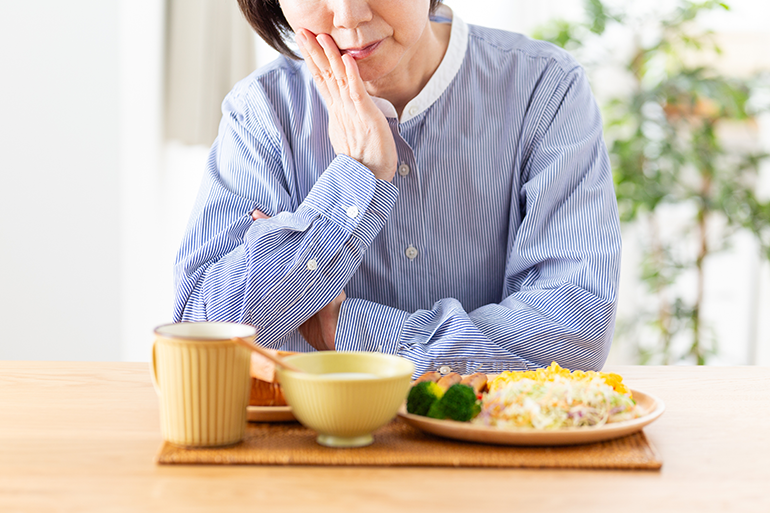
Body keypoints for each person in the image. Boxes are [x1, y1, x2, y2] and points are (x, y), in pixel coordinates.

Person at [172, 0, 622, 376]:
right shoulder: (264, 110)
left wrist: (344, 327)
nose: (348, 16)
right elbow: (203, 337)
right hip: (309, 459)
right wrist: (357, 175)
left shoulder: (544, 88)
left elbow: (574, 336)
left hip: (496, 457)